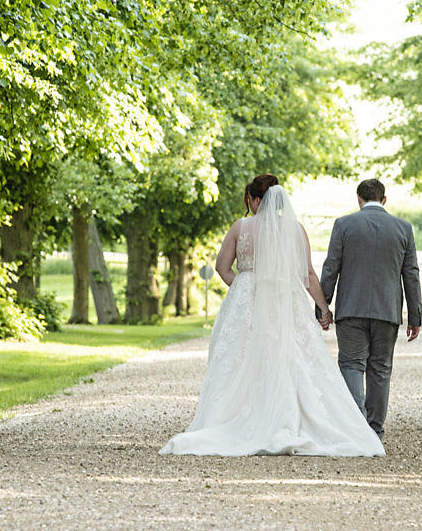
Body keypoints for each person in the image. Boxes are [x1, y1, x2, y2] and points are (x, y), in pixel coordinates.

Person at [159, 175, 385, 457]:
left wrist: (242, 287)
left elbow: (221, 266)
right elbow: (308, 275)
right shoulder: (294, 229)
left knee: (242, 358)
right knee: (290, 356)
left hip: (248, 302)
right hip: (284, 301)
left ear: (255, 199)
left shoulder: (241, 227)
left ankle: (239, 417)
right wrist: (324, 309)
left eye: (251, 200)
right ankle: (287, 414)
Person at [319, 178, 422, 440]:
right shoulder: (403, 228)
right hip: (387, 311)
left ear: (359, 199)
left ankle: (356, 427)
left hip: (351, 310)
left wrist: (323, 306)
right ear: (384, 199)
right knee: (380, 368)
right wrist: (415, 316)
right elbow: (411, 274)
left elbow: (331, 267)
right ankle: (374, 428)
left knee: (352, 364)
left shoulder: (344, 225)